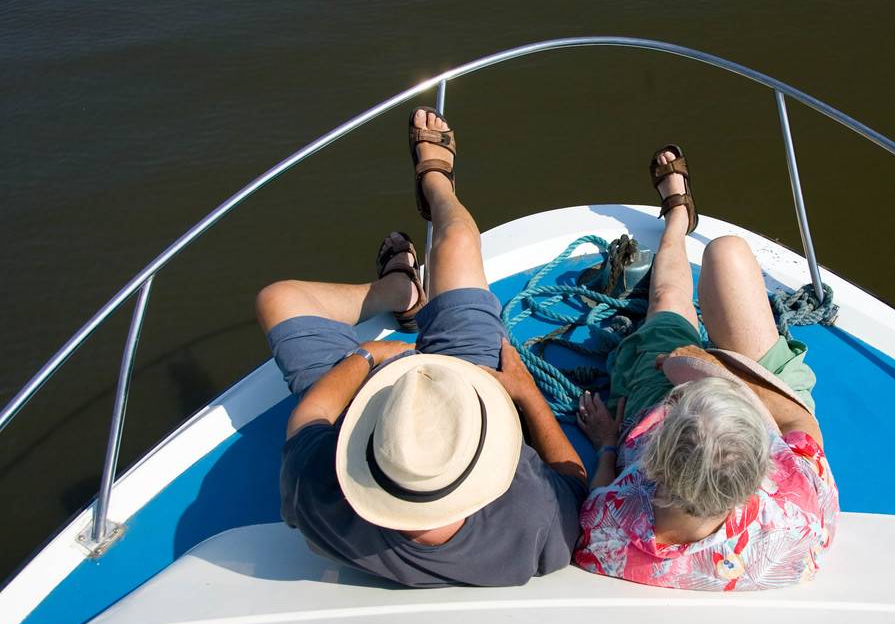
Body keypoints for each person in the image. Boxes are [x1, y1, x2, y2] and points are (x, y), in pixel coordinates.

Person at [255, 107, 587, 587]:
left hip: (373, 404)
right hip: (457, 393)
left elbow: (310, 417)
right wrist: (523, 389)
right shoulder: (534, 522)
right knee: (457, 242)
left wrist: (368, 357)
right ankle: (437, 183)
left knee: (278, 298)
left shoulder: (319, 498)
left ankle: (400, 291)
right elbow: (572, 478)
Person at [572, 145, 839, 591]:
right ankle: (681, 221)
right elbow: (799, 421)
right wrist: (719, 372)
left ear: (653, 463)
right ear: (764, 470)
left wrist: (607, 444)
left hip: (672, 400)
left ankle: (676, 222)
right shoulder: (797, 516)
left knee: (669, 303)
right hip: (771, 401)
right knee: (728, 252)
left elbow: (602, 487)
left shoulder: (608, 534)